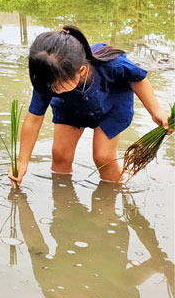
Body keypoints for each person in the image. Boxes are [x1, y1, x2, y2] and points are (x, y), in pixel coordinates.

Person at [9, 25, 171, 185]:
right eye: (49, 85)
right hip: (70, 108)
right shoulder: (48, 80)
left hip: (111, 107)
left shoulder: (112, 64)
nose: (52, 90)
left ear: (82, 71)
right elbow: (33, 120)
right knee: (60, 155)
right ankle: (62, 202)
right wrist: (22, 161)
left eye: (57, 85)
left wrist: (156, 110)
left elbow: (139, 80)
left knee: (103, 158)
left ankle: (113, 194)